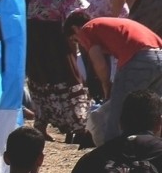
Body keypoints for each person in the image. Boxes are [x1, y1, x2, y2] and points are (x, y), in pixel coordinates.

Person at [63, 11, 162, 142]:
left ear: (75, 29)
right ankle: (154, 147)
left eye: (76, 40)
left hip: (139, 59)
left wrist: (106, 85)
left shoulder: (87, 29)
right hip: (159, 56)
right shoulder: (106, 27)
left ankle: (111, 148)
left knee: (119, 108)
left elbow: (99, 64)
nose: (80, 44)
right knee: (152, 108)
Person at [26, 0, 92, 144]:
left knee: (41, 81)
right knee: (71, 81)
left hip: (35, 42)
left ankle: (41, 125)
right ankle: (79, 128)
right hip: (56, 42)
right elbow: (78, 20)